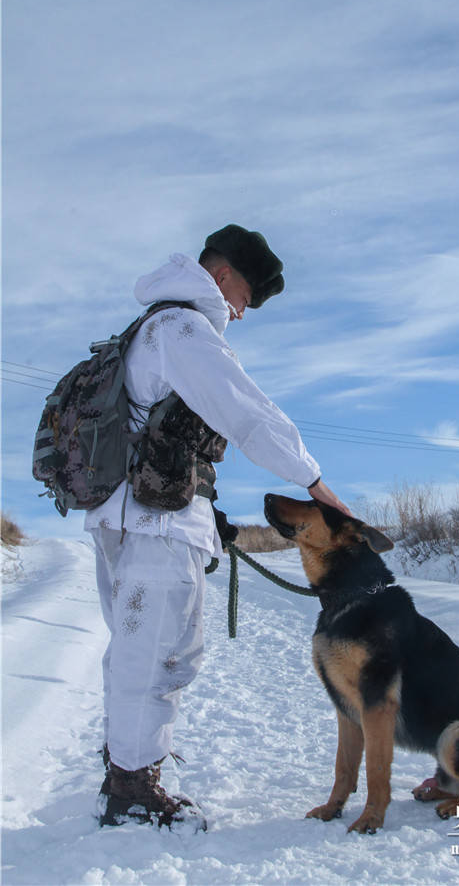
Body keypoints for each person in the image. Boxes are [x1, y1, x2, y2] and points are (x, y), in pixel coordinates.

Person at [86, 224, 350, 829]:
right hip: (151, 525)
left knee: (149, 651)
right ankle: (130, 787)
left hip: (146, 515)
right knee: (155, 655)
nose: (241, 313)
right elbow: (247, 411)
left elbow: (168, 441)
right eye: (244, 300)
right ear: (224, 276)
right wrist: (314, 482)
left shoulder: (156, 327)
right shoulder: (182, 328)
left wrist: (211, 517)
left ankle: (130, 762)